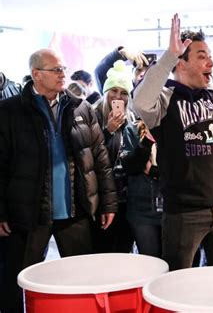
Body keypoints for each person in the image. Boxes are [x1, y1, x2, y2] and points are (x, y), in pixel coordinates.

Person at [133, 14, 213, 271]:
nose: (211, 62)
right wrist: (168, 55)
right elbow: (140, 102)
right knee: (178, 282)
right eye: (202, 56)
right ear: (181, 63)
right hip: (184, 213)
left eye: (210, 56)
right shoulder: (164, 99)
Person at [0, 48, 117, 313]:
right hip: (28, 215)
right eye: (56, 70)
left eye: (64, 68)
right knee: (15, 283)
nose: (63, 74)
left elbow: (99, 158)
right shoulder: (10, 112)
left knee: (82, 281)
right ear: (36, 74)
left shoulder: (80, 107)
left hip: (75, 212)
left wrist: (108, 203)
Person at [93, 59, 135, 253]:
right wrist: (108, 131)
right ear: (105, 92)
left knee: (124, 250)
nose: (118, 97)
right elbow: (92, 158)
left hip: (129, 198)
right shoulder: (92, 115)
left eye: (124, 92)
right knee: (103, 249)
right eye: (114, 91)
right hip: (102, 198)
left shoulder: (134, 120)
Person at [121, 120, 163, 257]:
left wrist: (154, 171)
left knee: (176, 266)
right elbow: (129, 166)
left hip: (173, 208)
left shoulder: (174, 124)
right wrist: (148, 140)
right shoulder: (132, 129)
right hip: (142, 210)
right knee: (151, 263)